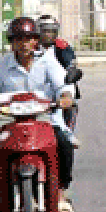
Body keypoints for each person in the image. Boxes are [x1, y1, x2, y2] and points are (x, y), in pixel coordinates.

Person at [0, 15, 75, 212]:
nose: (24, 44)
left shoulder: (48, 62)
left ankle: (61, 195)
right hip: (10, 123)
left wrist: (65, 96)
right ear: (11, 43)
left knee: (64, 145)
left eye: (28, 38)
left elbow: (63, 84)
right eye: (18, 39)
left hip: (44, 120)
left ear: (36, 41)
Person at [35, 13, 80, 148]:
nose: (48, 34)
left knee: (72, 102)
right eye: (45, 30)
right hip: (37, 85)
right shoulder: (30, 46)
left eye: (52, 30)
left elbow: (70, 63)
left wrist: (71, 72)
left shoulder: (62, 46)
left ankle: (68, 133)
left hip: (58, 84)